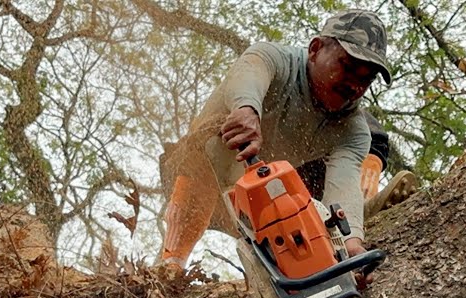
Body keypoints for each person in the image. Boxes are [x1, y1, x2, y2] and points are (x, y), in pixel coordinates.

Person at [157, 10, 415, 272]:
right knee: (207, 147)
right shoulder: (276, 60)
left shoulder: (353, 130)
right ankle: (171, 264)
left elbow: (343, 182)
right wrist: (246, 108)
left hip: (267, 205)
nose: (354, 86)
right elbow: (252, 68)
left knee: (323, 195)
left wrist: (351, 246)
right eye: (347, 67)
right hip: (204, 185)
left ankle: (346, 228)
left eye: (366, 79)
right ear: (315, 49)